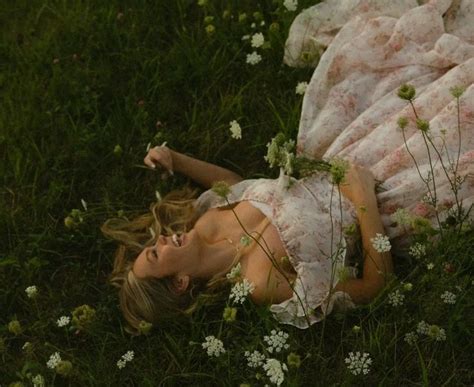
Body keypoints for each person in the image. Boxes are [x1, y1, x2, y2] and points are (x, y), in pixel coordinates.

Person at [101, 0, 474, 332]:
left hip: (341, 156)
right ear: (179, 283)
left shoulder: (207, 221)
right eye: (155, 253)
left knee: (403, 66)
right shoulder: (262, 283)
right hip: (381, 198)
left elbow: (235, 184)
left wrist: (177, 159)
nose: (160, 239)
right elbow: (373, 288)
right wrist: (363, 202)